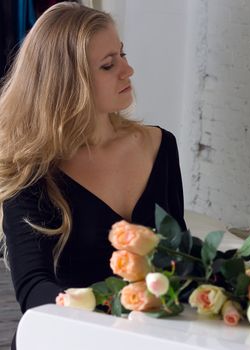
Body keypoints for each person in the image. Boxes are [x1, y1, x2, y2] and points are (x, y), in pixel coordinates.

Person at [0, 3, 187, 348]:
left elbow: (177, 256)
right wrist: (113, 318)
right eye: (107, 65)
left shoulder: (159, 146)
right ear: (66, 81)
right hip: (65, 339)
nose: (128, 70)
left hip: (149, 339)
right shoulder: (28, 168)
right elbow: (33, 289)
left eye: (122, 54)